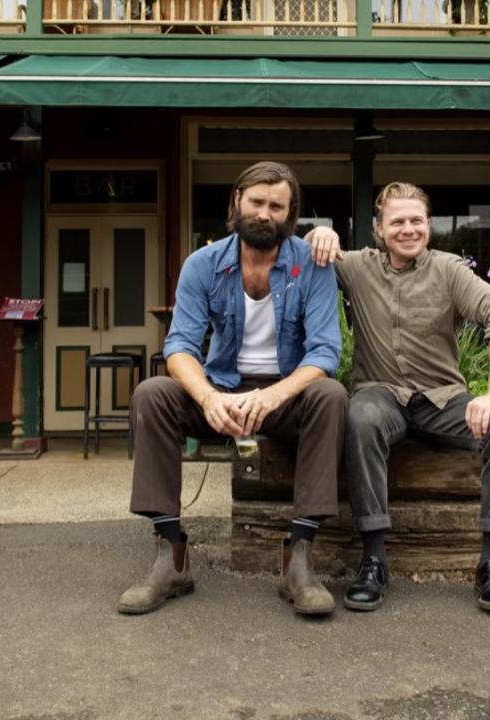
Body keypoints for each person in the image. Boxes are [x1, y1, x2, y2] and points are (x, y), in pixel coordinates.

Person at [118, 161, 346, 617]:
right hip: (220, 388)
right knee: (152, 393)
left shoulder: (311, 265)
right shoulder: (203, 264)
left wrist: (274, 395)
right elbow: (180, 344)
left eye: (276, 206)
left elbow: (324, 353)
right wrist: (208, 398)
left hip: (285, 397)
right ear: (237, 203)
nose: (265, 213)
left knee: (331, 396)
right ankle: (171, 553)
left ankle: (299, 557)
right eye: (257, 202)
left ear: (290, 212)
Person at [309, 181, 490, 615]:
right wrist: (320, 234)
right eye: (397, 221)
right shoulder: (356, 267)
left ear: (428, 225)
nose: (408, 229)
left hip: (444, 401)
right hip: (381, 395)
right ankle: (373, 559)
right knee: (361, 416)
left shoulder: (449, 270)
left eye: (417, 221)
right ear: (378, 229)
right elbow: (307, 256)